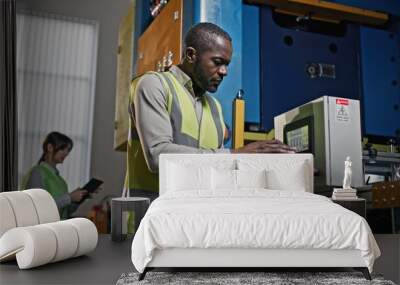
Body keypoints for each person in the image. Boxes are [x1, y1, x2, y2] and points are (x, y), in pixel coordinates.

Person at [126, 22, 295, 199]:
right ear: (191, 55)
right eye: (217, 62)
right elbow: (157, 156)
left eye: (227, 64)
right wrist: (235, 154)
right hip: (149, 212)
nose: (224, 72)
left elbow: (218, 168)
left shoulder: (214, 107)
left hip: (194, 214)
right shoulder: (154, 85)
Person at [21, 132, 88, 219]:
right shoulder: (37, 173)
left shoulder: (61, 181)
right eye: (63, 148)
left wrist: (79, 199)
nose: (66, 153)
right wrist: (69, 198)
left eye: (68, 150)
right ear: (50, 147)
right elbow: (38, 208)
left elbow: (64, 212)